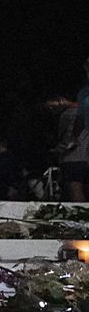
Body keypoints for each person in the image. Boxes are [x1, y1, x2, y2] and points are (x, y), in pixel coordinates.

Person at [65, 56, 89, 202]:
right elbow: (80, 119)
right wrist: (74, 138)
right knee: (75, 177)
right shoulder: (84, 93)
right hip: (84, 138)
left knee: (75, 180)